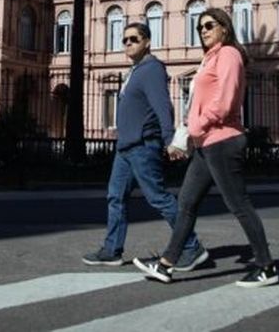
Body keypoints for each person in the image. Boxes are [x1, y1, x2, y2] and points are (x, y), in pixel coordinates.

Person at [133, 8, 278, 288]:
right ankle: (166, 264)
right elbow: (199, 103)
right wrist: (189, 134)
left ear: (224, 27)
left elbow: (224, 102)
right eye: (200, 27)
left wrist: (196, 127)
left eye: (210, 25)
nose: (204, 30)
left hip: (222, 141)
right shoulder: (210, 58)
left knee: (239, 205)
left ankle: (266, 266)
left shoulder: (229, 55)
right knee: (186, 203)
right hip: (206, 143)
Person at [83, 23, 207, 270]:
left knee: (158, 198)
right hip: (125, 147)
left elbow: (163, 106)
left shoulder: (151, 70)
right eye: (125, 40)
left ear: (147, 42)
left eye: (134, 39)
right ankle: (112, 250)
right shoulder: (135, 70)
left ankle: (192, 247)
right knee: (115, 196)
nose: (128, 43)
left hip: (143, 145)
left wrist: (169, 140)